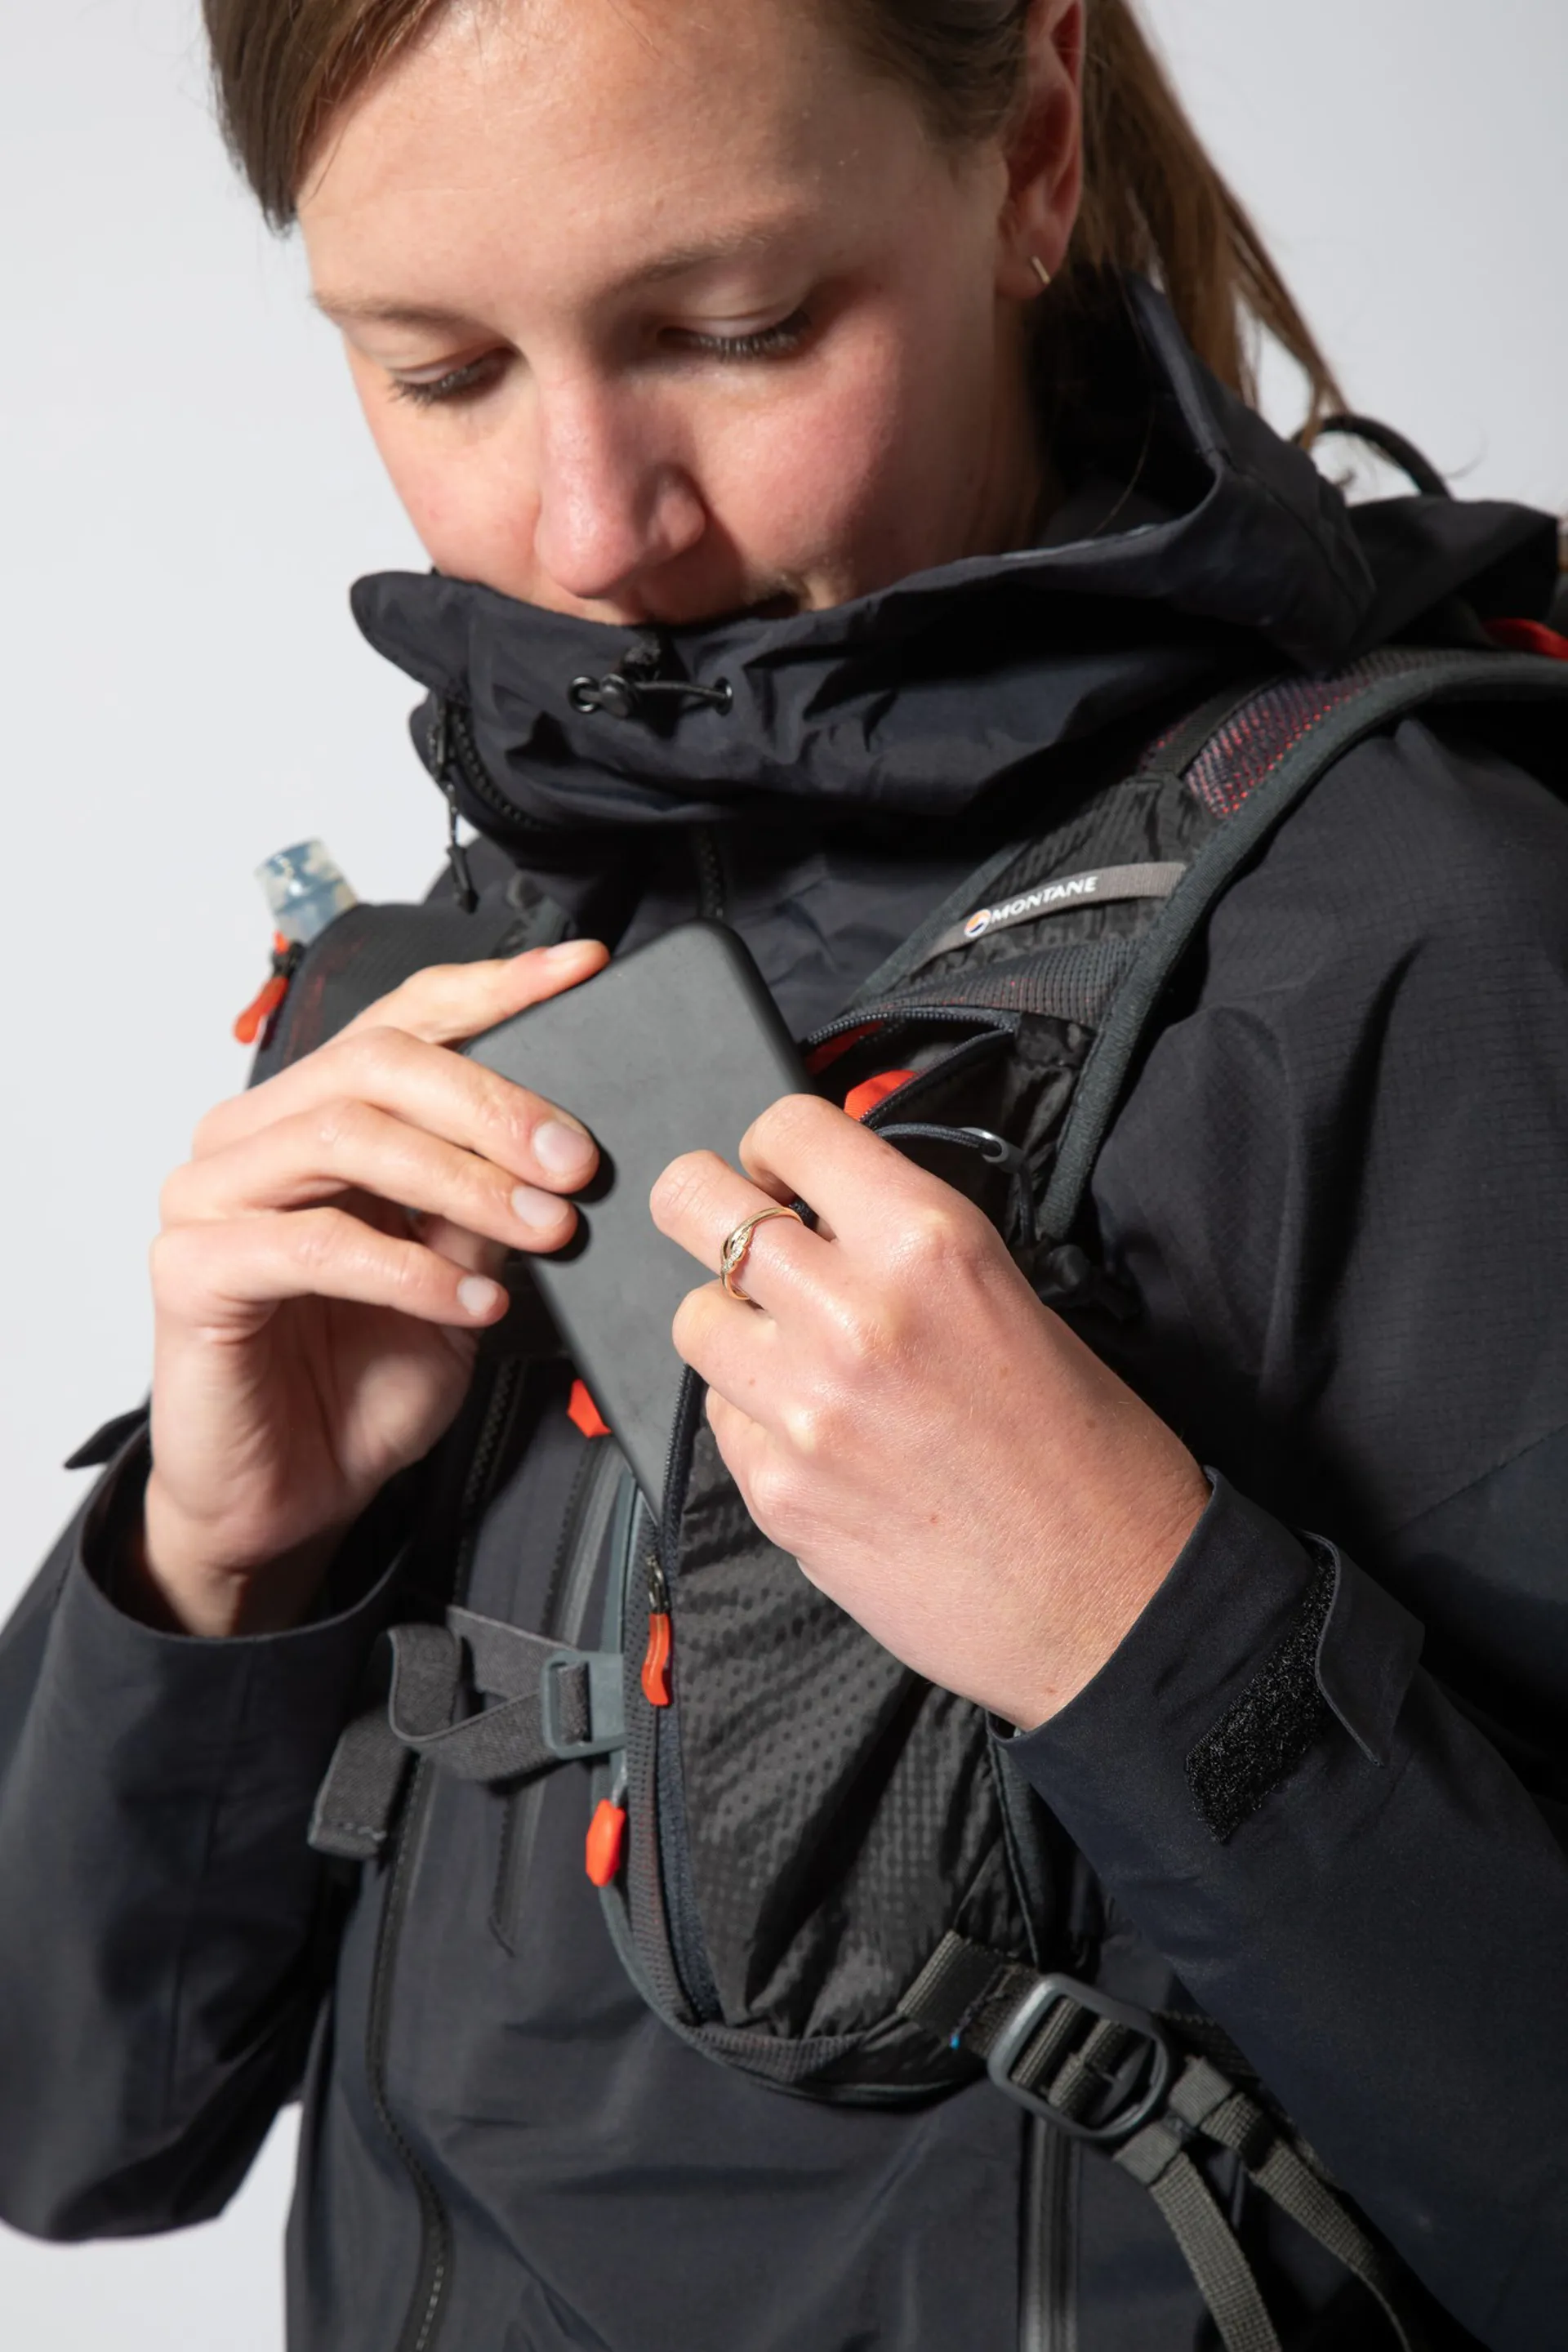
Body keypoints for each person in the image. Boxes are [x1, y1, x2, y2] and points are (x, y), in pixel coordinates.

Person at [1, 0, 1565, 2345]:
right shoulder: (456, 962)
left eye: (733, 330)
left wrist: (1135, 1629)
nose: (586, 529)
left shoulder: (1433, 935)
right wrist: (212, 1566)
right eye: (439, 370)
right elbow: (62, 2129)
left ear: (1033, 150)